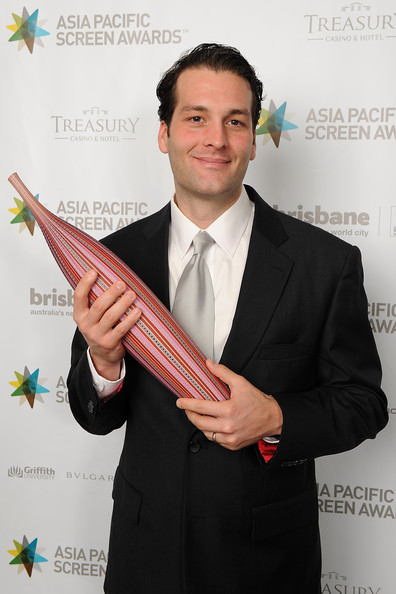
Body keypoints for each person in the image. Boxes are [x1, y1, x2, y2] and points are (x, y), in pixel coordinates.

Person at [67, 43, 388, 594]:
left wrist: (274, 418)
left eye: (234, 121)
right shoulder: (112, 261)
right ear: (164, 133)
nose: (216, 139)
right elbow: (95, 416)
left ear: (253, 141)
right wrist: (104, 360)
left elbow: (364, 405)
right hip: (146, 558)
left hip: (267, 564)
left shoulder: (325, 263)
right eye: (196, 118)